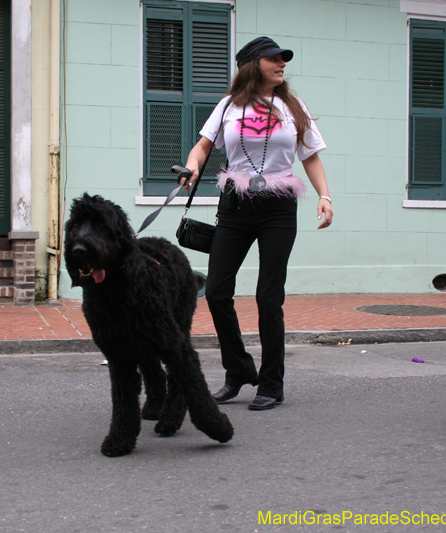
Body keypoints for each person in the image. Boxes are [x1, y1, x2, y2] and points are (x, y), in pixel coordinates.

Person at [180, 37, 333, 411]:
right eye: (274, 59)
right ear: (252, 64)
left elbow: (310, 156)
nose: (282, 64)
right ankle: (238, 371)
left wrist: (325, 196)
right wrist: (192, 164)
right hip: (235, 206)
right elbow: (203, 145)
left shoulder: (294, 107)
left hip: (279, 207)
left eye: (284, 59)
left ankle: (271, 384)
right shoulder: (228, 106)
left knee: (269, 295)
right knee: (215, 292)